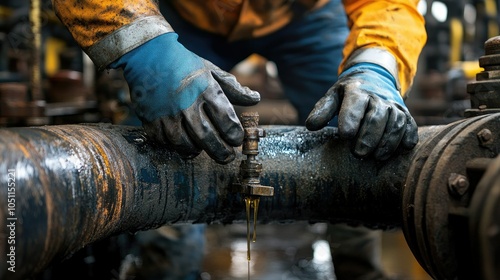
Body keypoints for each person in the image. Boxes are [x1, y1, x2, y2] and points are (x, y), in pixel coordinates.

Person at [52, 0, 427, 279]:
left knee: (358, 130)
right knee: (158, 148)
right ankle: (169, 266)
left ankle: (358, 269)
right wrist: (144, 46)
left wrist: (377, 63)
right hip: (185, 16)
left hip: (306, 14)